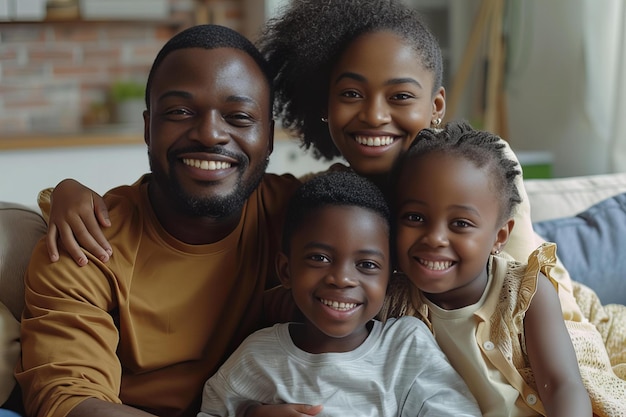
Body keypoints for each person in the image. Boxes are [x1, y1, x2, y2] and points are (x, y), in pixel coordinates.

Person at [43, 0, 585, 324]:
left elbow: (531, 295)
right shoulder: (323, 198)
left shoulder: (481, 172)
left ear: (435, 105)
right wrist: (62, 191)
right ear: (323, 104)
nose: (374, 117)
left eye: (399, 97)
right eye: (351, 94)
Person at [15, 24, 303, 417]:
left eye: (238, 116)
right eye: (180, 112)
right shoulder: (86, 241)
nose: (210, 134)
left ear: (268, 136)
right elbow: (68, 401)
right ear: (148, 127)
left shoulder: (305, 217)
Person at [381, 120, 626, 416]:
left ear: (499, 237)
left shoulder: (525, 293)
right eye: (415, 218)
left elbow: (562, 385)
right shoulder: (390, 303)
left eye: (460, 223)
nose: (434, 238)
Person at [197, 171, 481, 417]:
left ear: (389, 278)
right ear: (285, 270)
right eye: (319, 258)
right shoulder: (257, 355)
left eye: (367, 265)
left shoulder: (404, 346)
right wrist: (250, 413)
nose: (342, 279)